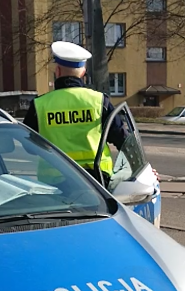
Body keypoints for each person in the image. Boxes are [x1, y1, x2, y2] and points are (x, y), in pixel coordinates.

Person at [22, 41, 129, 185]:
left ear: (58, 71)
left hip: (55, 183)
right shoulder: (99, 101)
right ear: (83, 73)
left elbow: (29, 147)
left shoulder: (39, 105)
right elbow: (124, 141)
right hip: (97, 181)